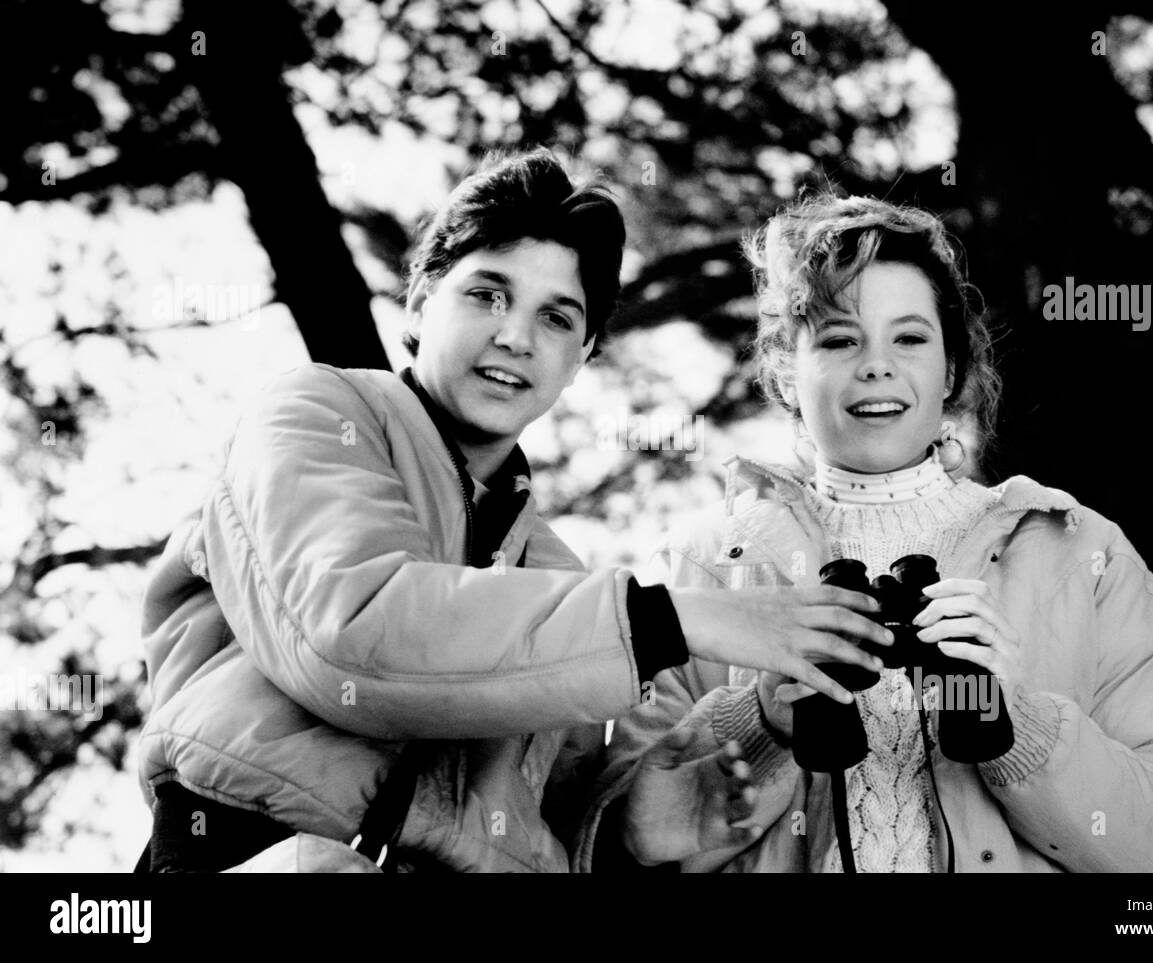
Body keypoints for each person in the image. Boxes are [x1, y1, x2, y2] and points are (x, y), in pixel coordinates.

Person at [134, 149, 881, 873]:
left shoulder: (558, 577)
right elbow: (353, 635)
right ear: (423, 300)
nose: (515, 336)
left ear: (582, 355)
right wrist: (676, 619)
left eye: (557, 319)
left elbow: (535, 833)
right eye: (487, 294)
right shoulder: (317, 414)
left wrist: (630, 836)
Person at [577, 193, 1153, 873]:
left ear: (951, 368)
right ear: (785, 370)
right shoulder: (702, 567)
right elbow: (610, 848)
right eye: (839, 338)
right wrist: (760, 722)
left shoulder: (1080, 555)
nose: (876, 364)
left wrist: (1022, 727)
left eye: (910, 337)